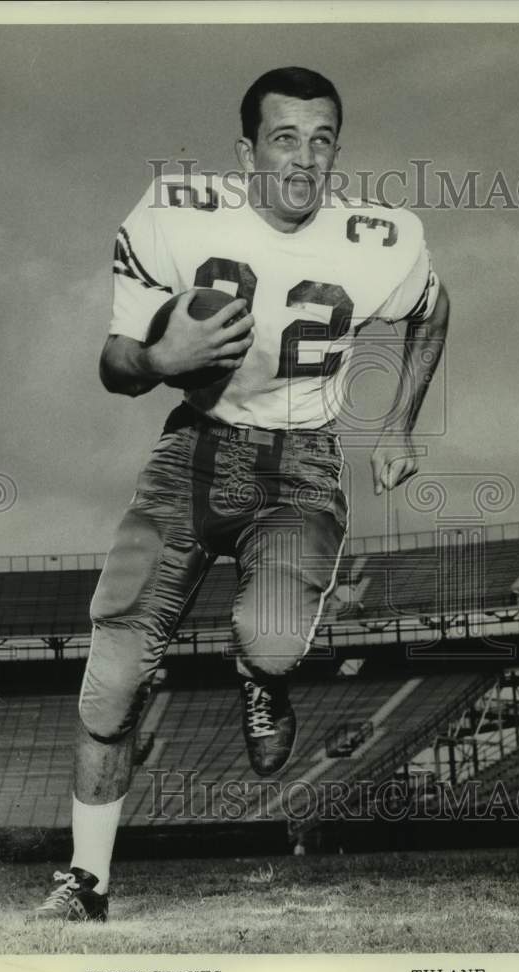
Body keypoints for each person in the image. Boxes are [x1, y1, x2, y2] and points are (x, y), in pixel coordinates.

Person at [36, 66, 449, 921]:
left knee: (269, 644)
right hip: (192, 451)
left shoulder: (380, 239)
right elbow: (115, 364)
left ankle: (261, 680)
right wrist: (156, 362)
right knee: (111, 679)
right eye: (284, 138)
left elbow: (432, 311)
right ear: (246, 151)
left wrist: (401, 424)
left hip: (302, 465)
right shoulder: (173, 213)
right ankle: (86, 883)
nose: (304, 160)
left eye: (322, 139)